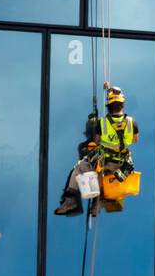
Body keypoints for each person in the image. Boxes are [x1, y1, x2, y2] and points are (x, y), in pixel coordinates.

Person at [54, 84, 139, 216]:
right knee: (101, 175)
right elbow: (135, 140)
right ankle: (98, 204)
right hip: (121, 163)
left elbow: (97, 141)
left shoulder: (102, 123)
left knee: (80, 168)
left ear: (109, 107)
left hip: (105, 161)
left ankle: (71, 201)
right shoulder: (132, 123)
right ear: (122, 104)